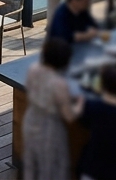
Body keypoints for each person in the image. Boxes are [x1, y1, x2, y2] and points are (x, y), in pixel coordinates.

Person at [22, 36, 82, 180]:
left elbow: (29, 89)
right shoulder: (59, 84)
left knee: (30, 165)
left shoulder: (33, 69)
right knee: (50, 170)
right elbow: (69, 116)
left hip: (30, 119)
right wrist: (80, 104)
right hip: (48, 129)